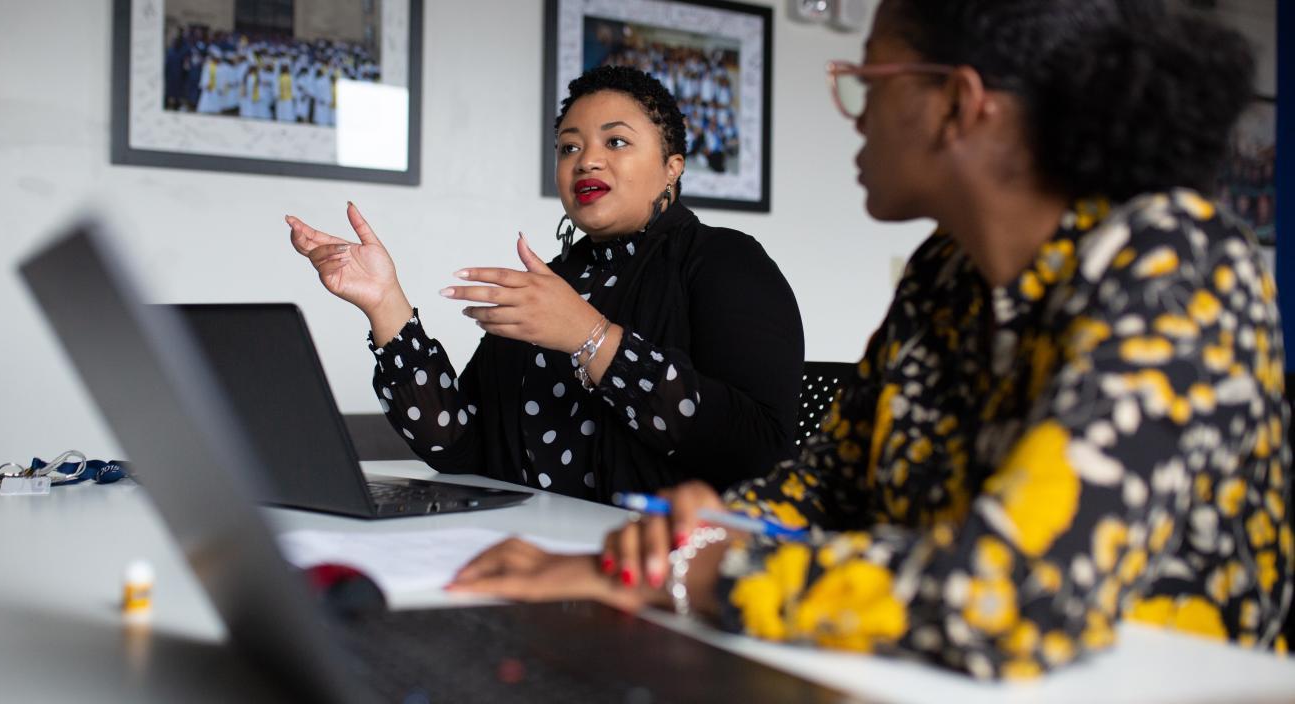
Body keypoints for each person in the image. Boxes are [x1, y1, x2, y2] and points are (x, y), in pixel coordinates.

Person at [447, 0, 1292, 679]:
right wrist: (681, 535)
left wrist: (690, 573)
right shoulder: (945, 273)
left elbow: (1014, 593)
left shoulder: (1176, 259)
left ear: (958, 103)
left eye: (869, 79)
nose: (852, 111)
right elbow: (824, 485)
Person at [288, 66, 804, 503]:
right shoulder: (553, 282)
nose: (587, 160)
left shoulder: (726, 260)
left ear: (672, 167)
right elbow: (458, 444)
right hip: (528, 549)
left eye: (616, 141)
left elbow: (759, 451)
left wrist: (589, 334)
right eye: (568, 147)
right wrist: (385, 305)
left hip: (654, 564)